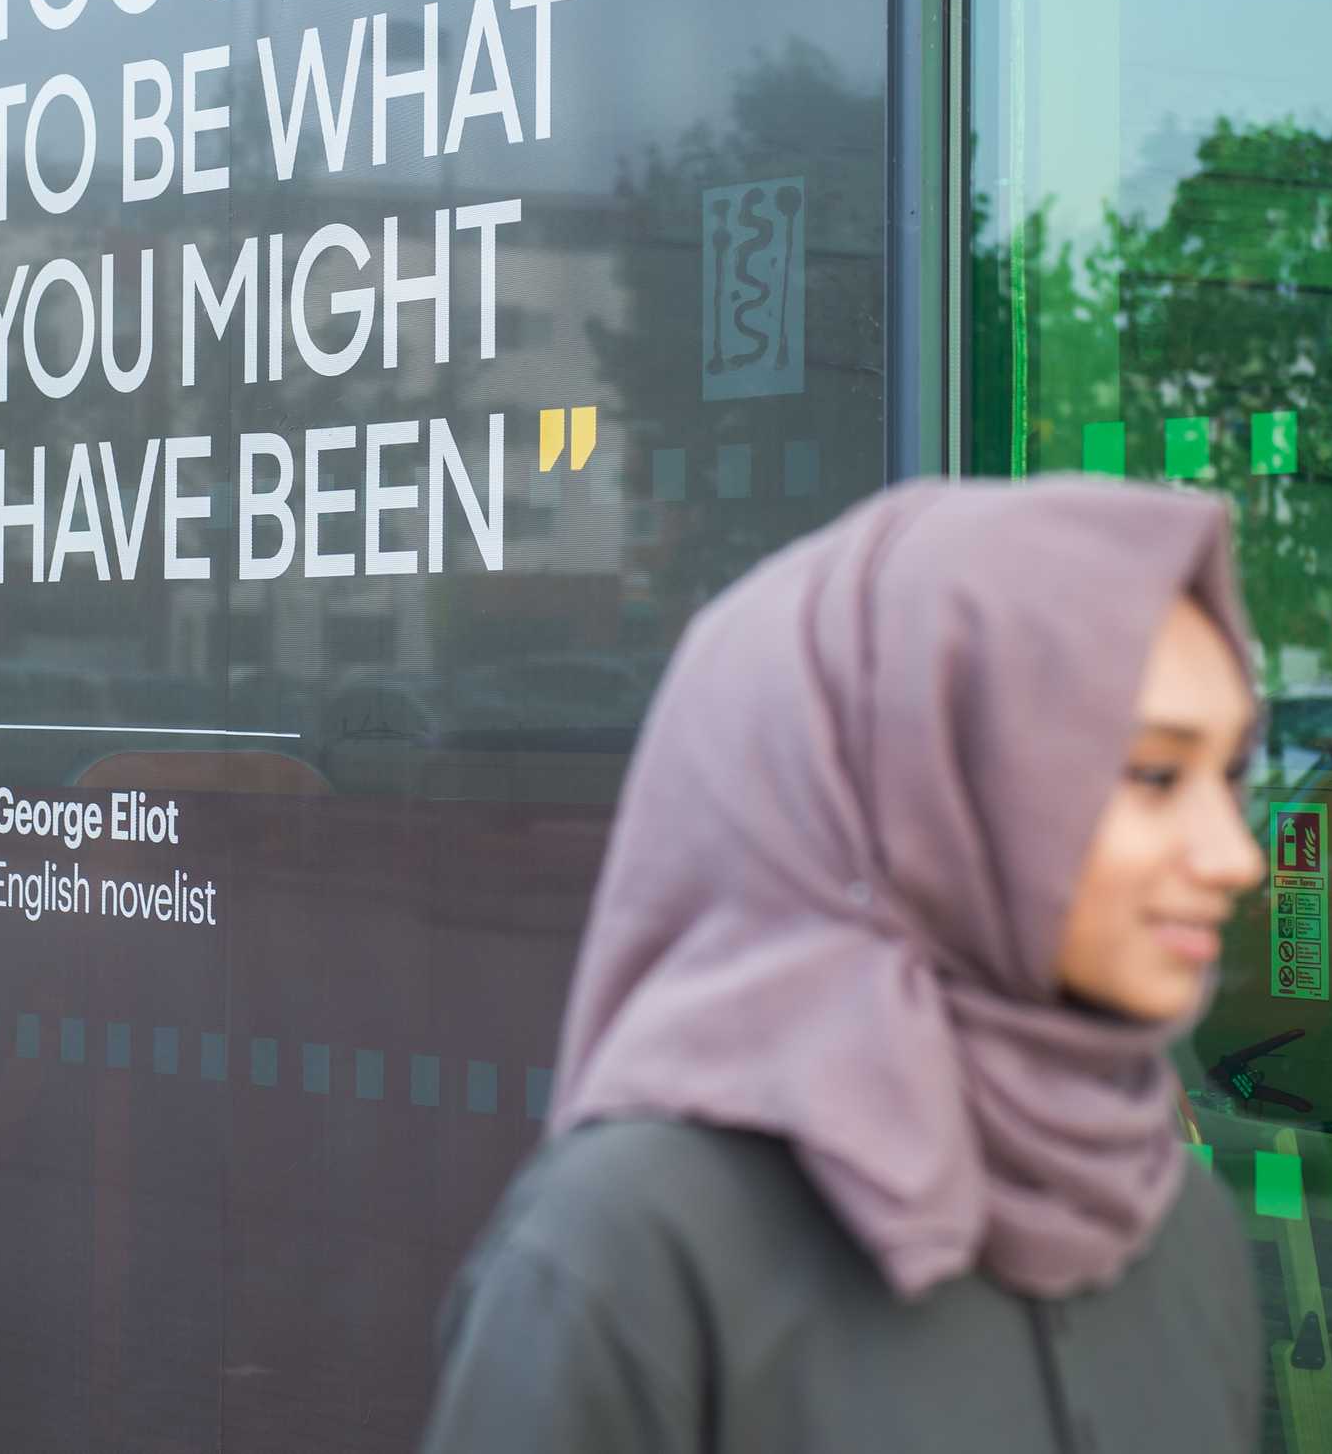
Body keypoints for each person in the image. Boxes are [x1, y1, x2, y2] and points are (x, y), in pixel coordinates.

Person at [419, 478, 1271, 1452]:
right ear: (932, 782)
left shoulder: (1171, 1220)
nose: (1232, 853)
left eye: (1231, 772)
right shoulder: (640, 1243)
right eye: (1155, 774)